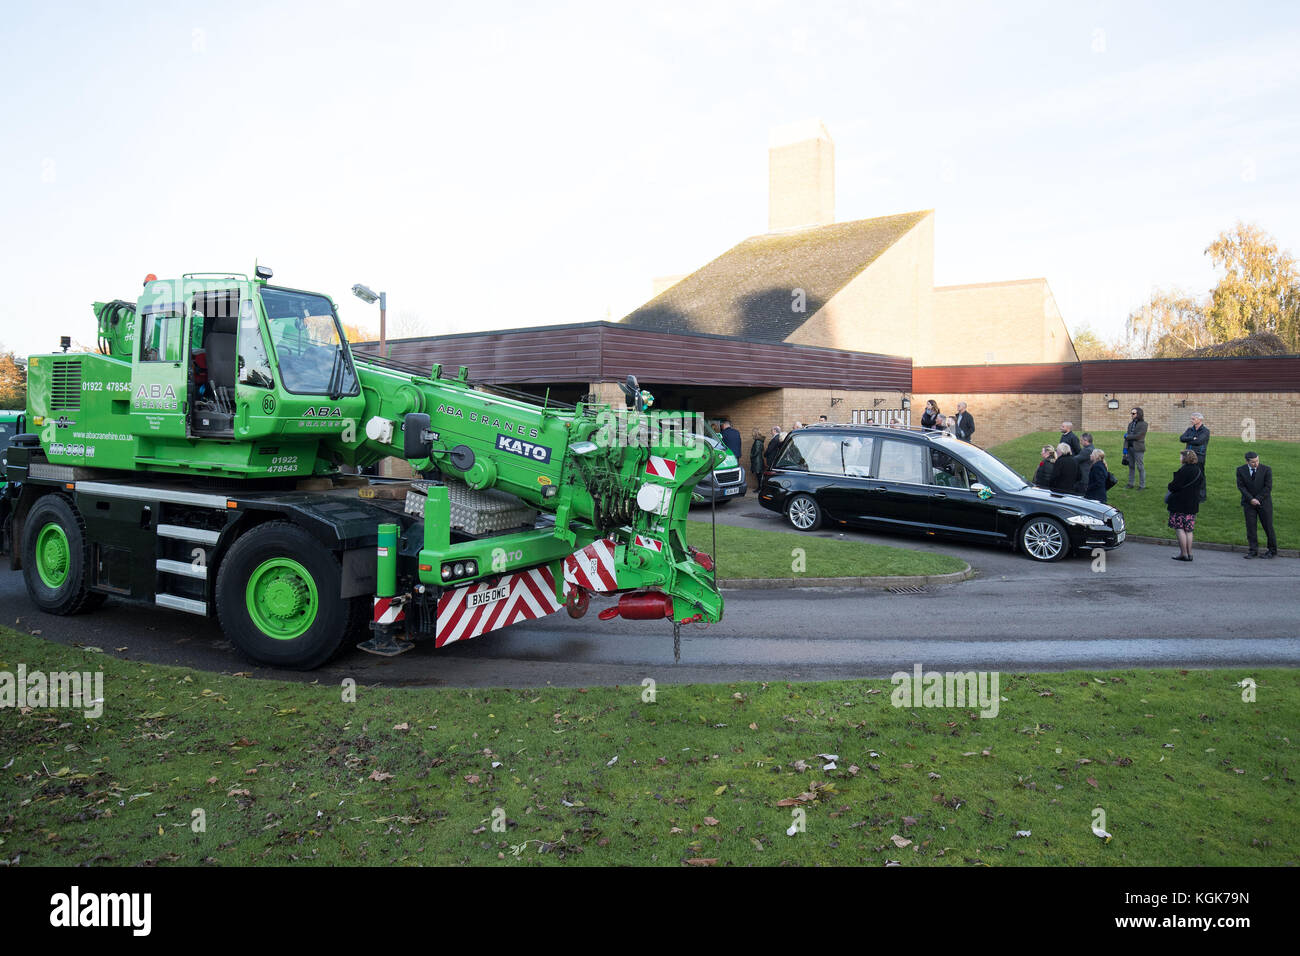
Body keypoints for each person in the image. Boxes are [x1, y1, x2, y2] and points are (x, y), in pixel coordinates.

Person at [1237, 451, 1277, 558]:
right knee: (1251, 527)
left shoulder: (1266, 469)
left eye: (1257, 461)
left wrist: (1257, 499)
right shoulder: (1240, 470)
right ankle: (1253, 550)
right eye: (1253, 462)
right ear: (1247, 461)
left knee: (1268, 526)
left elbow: (1268, 487)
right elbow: (1241, 487)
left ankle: (1272, 550)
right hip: (1248, 503)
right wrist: (1251, 499)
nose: (1256, 464)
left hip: (1264, 503)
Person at [1167, 450, 1202, 561]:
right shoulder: (1198, 470)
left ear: (1185, 458)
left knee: (1179, 528)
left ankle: (1184, 553)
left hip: (1180, 503)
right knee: (1189, 530)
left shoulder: (1183, 470)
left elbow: (1174, 486)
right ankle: (1190, 553)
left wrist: (1170, 485)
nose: (1180, 458)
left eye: (1181, 456)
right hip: (1192, 504)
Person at [1179, 413, 1210, 502]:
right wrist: (1193, 438)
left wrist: (1189, 439)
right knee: (1186, 474)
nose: (1191, 420)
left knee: (1200, 475)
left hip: (1199, 455)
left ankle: (1201, 496)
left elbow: (1199, 441)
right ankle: (1187, 494)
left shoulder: (1205, 431)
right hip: (1187, 455)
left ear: (1200, 420)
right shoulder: (1190, 429)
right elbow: (1181, 438)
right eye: (1191, 419)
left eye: (1193, 419)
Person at [1123, 406, 1148, 490]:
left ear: (1139, 414)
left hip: (1138, 448)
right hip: (1130, 448)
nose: (1132, 415)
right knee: (1131, 466)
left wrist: (1127, 436)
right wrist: (1125, 449)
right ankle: (1130, 484)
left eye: (1133, 413)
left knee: (1140, 467)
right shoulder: (1130, 424)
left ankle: (1142, 485)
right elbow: (1126, 438)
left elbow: (1138, 436)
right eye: (1131, 413)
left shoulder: (1144, 424)